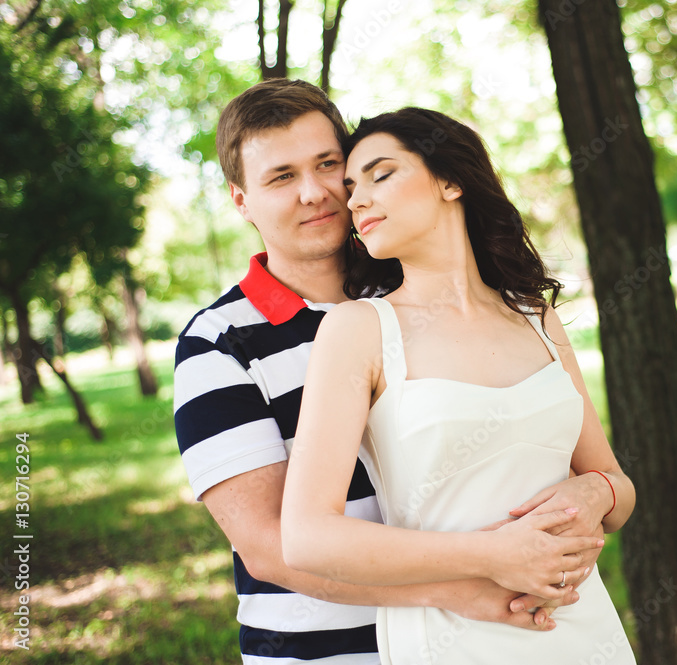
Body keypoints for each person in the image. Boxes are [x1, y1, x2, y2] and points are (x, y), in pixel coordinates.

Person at [173, 80, 614, 665]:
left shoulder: (412, 294)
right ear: (242, 201)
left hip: (511, 631)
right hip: (330, 653)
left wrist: (595, 492)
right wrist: (459, 591)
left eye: (327, 165)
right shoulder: (216, 344)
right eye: (281, 177)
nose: (315, 192)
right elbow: (270, 548)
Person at [281, 107, 637, 664]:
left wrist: (596, 494)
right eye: (350, 189)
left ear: (450, 180)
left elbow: (615, 484)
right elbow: (306, 537)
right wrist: (493, 555)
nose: (354, 202)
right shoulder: (360, 330)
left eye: (380, 175)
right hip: (454, 638)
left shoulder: (536, 318)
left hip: (580, 626)